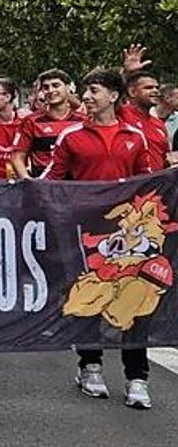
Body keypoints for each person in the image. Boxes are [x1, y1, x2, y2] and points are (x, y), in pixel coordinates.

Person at [42, 68, 153, 409]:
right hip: (86, 234)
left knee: (135, 303)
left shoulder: (136, 135)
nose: (86, 97)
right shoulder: (71, 136)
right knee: (89, 297)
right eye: (86, 91)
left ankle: (137, 377)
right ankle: (90, 366)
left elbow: (149, 184)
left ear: (113, 96)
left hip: (130, 239)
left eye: (93, 90)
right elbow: (51, 179)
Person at [10, 69, 83, 179]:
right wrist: (27, 180)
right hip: (44, 185)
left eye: (55, 85)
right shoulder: (31, 121)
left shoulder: (83, 120)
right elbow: (17, 156)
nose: (50, 90)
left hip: (76, 186)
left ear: (68, 88)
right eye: (46, 87)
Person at [120, 69, 170, 171]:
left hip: (157, 184)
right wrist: (126, 71)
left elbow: (164, 158)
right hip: (133, 184)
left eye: (157, 87)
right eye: (148, 88)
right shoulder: (122, 114)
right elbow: (109, 95)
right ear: (132, 92)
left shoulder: (159, 124)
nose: (155, 91)